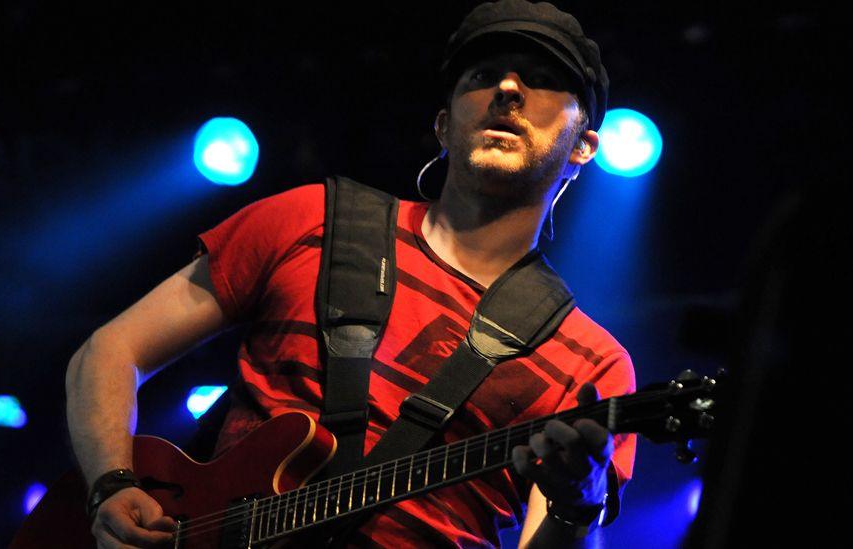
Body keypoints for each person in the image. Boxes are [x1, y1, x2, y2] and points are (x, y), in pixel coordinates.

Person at [65, 1, 636, 547]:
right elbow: (110, 350)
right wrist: (111, 487)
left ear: (585, 146)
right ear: (443, 126)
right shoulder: (309, 220)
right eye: (482, 75)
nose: (508, 89)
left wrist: (572, 506)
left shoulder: (592, 362)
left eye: (540, 79)